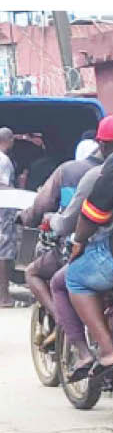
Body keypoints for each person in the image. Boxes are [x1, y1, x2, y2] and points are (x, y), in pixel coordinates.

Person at [46, 118, 113, 373]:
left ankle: (107, 351)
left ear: (102, 144)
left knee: (73, 277)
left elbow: (93, 214)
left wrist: (78, 241)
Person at [18, 138, 103, 320]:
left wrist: (29, 217)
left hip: (76, 246)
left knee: (32, 272)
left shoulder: (68, 170)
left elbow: (44, 205)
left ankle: (61, 318)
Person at [0, 128, 17, 307]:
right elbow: (1, 185)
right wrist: (21, 195)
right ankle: (3, 297)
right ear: (9, 140)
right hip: (2, 212)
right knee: (3, 255)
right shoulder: (3, 160)